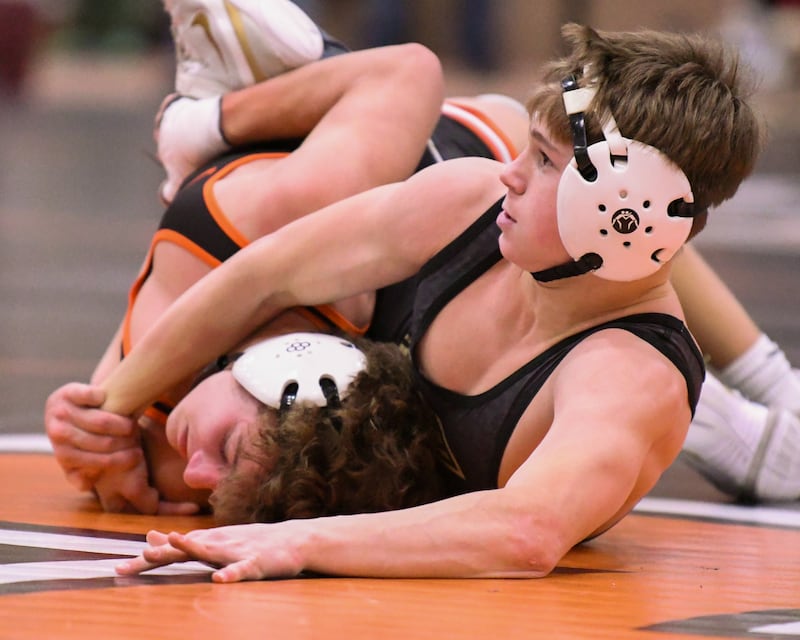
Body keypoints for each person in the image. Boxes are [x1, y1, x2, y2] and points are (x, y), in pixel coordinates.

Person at [99, 22, 762, 581]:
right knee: (137, 428)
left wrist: (299, 544)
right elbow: (265, 272)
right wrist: (111, 409)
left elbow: (528, 530)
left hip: (403, 444)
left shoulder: (630, 377)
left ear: (623, 214)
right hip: (376, 367)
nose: (513, 172)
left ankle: (748, 409)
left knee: (188, 465)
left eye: (544, 161)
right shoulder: (470, 202)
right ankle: (219, 119)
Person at [44, 0, 528, 516]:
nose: (197, 473)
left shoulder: (179, 459)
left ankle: (264, 104)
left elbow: (96, 420)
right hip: (481, 142)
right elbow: (410, 68)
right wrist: (205, 126)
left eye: (219, 488)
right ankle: (207, 120)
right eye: (226, 451)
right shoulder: (287, 208)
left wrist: (86, 433)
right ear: (282, 368)